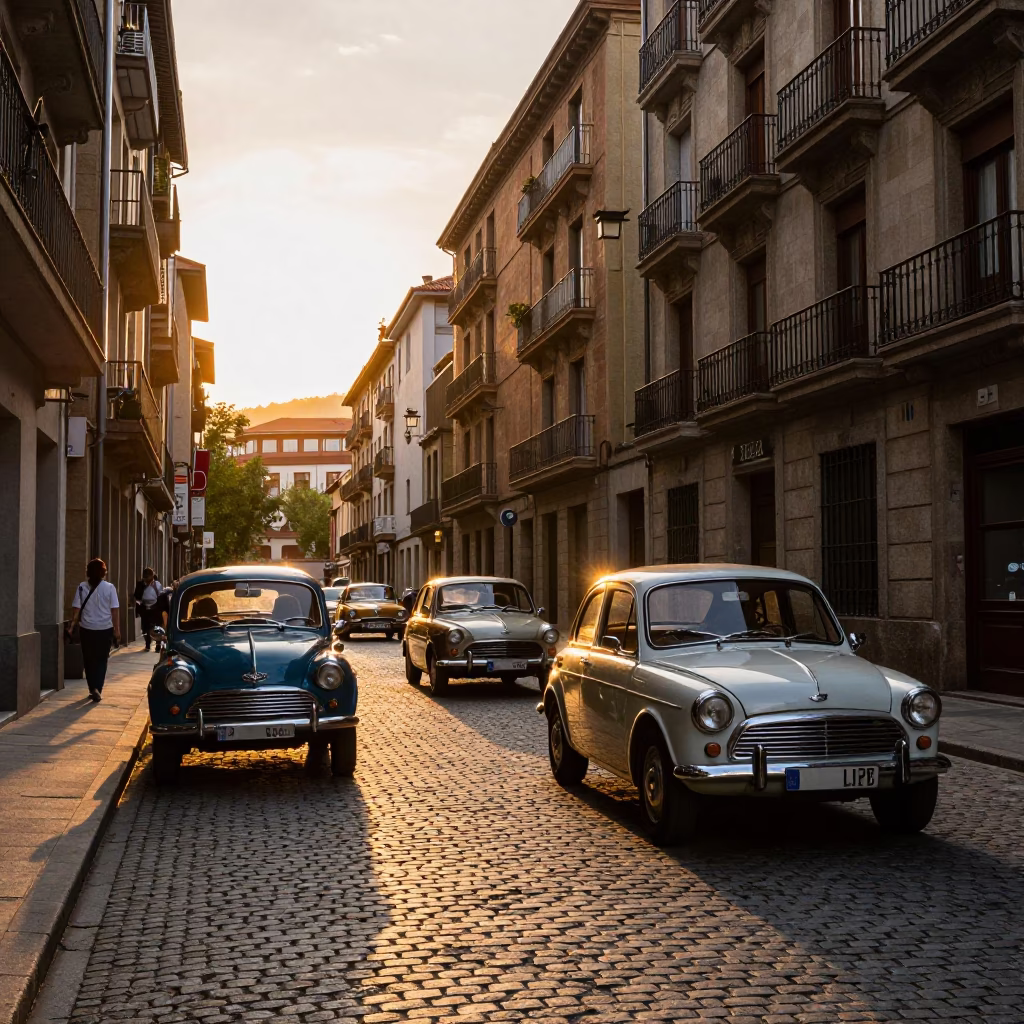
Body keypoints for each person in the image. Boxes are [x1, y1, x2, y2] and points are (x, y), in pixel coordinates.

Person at [68, 558, 121, 703]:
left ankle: (92, 688)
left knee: (88, 659)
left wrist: (72, 626)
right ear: (103, 572)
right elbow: (114, 610)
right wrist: (117, 630)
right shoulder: (110, 588)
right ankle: (98, 687)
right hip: (105, 629)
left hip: (87, 629)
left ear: (88, 572)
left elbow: (76, 609)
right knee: (102, 660)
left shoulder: (82, 587)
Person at [133, 568, 163, 652]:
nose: (147, 580)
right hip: (145, 608)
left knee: (157, 627)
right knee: (145, 628)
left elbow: (161, 596)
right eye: (145, 578)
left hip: (155, 608)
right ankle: (147, 644)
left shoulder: (157, 584)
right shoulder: (141, 584)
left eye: (148, 578)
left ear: (152, 577)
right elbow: (137, 596)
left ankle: (158, 645)